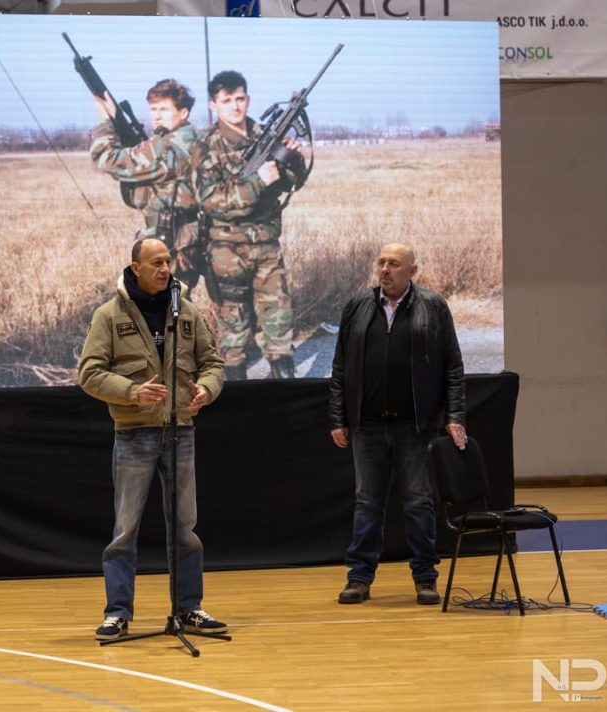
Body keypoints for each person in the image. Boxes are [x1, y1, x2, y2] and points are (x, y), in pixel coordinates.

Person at [78, 237, 226, 640]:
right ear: (135, 268)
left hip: (181, 431)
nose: (165, 269)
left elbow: (213, 363)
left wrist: (207, 389)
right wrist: (132, 392)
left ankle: (189, 608)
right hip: (134, 434)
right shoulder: (109, 315)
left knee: (185, 528)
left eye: (168, 262)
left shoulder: (186, 310)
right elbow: (89, 373)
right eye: (156, 263)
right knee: (125, 530)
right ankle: (117, 613)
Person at [328, 243, 467, 605]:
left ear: (412, 271)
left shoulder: (433, 306)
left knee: (419, 502)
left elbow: (453, 366)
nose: (385, 269)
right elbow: (340, 366)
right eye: (382, 262)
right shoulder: (358, 306)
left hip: (414, 426)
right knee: (367, 503)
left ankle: (425, 577)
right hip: (367, 425)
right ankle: (359, 578)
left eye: (394, 263)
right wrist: (338, 417)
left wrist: (454, 416)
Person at [191, 70, 302, 380]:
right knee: (233, 324)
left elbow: (289, 183)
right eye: (226, 100)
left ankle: (285, 384)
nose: (235, 106)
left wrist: (291, 160)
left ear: (248, 100)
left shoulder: (265, 136)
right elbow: (209, 200)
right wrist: (257, 182)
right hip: (227, 248)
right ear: (213, 104)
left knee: (278, 318)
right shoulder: (206, 146)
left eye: (239, 99)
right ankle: (238, 387)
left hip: (266, 243)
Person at [90, 79, 202, 286]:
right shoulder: (186, 139)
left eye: (164, 109)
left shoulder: (167, 148)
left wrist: (105, 122)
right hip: (182, 241)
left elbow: (105, 159)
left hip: (172, 244)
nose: (157, 116)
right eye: (153, 109)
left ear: (183, 113)